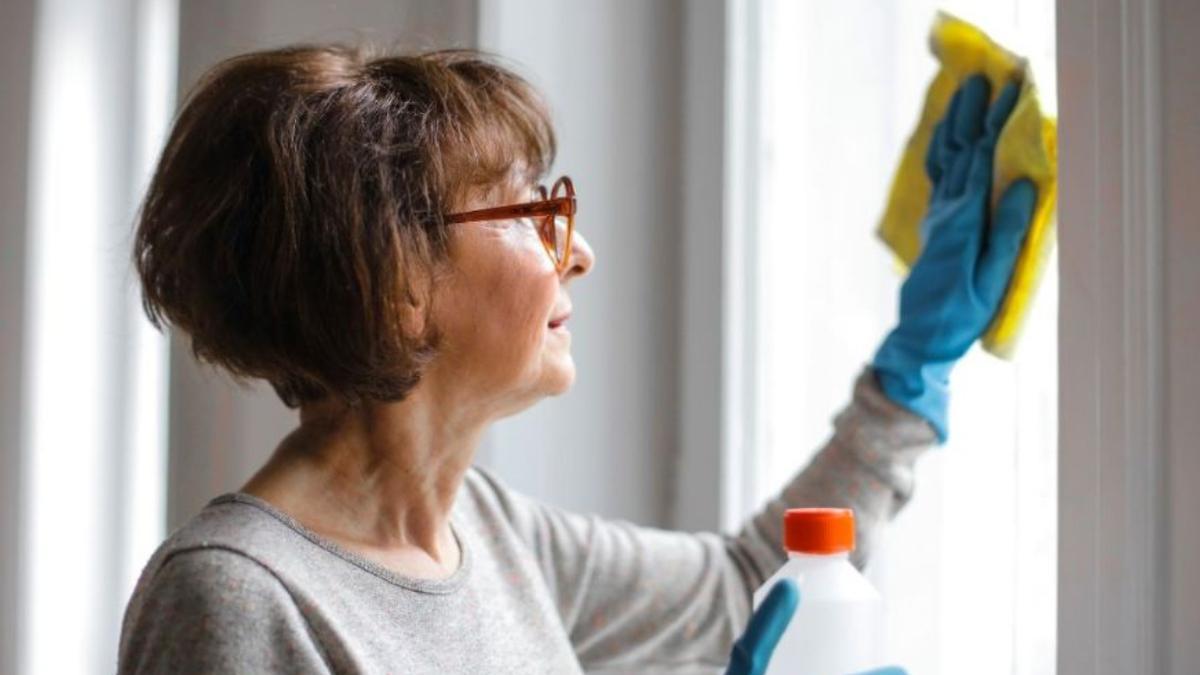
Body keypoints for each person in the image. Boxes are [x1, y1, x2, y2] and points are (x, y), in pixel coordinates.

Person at [117, 45, 1033, 674]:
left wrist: (911, 371)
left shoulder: (491, 534)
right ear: (394, 281)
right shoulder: (235, 597)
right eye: (526, 214)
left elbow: (748, 589)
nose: (580, 250)